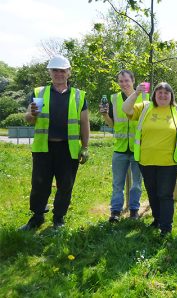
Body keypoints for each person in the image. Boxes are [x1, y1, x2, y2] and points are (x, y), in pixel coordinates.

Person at [20, 55, 90, 230]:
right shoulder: (39, 93)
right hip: (44, 147)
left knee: (65, 184)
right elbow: (28, 118)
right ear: (50, 73)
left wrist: (85, 147)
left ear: (69, 73)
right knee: (39, 183)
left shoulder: (78, 96)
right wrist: (32, 114)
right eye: (55, 70)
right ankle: (37, 217)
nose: (59, 74)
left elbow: (84, 123)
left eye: (62, 70)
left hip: (68, 149)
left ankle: (58, 218)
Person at [122, 82, 177, 236]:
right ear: (154, 95)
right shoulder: (145, 107)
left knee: (165, 194)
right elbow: (126, 109)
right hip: (146, 160)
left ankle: (166, 227)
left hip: (168, 162)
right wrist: (136, 93)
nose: (163, 95)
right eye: (159, 92)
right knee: (152, 192)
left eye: (167, 93)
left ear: (171, 95)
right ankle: (157, 219)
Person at [99, 70, 147, 222]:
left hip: (138, 148)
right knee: (117, 183)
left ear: (133, 80)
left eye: (127, 80)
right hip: (120, 148)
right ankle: (115, 212)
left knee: (136, 184)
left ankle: (134, 211)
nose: (124, 84)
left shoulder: (144, 97)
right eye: (121, 81)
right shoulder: (113, 98)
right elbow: (112, 124)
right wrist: (105, 115)